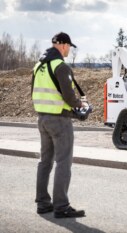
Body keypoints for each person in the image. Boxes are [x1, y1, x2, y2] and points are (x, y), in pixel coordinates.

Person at [31, 32, 87, 218]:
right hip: (59, 121)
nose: (69, 50)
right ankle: (61, 206)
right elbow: (69, 97)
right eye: (69, 46)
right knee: (63, 162)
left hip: (42, 119)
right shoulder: (60, 66)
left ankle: (42, 203)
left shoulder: (38, 66)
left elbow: (36, 93)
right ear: (62, 45)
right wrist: (81, 105)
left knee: (44, 162)